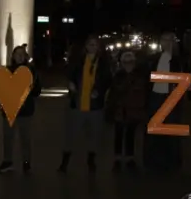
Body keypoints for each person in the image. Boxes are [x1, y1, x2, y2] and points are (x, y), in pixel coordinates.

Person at [58, 35, 111, 173]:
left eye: (95, 44)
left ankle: (91, 161)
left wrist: (99, 91)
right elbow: (69, 74)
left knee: (94, 135)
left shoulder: (103, 64)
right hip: (77, 104)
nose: (92, 47)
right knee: (70, 134)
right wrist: (71, 84)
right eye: (90, 44)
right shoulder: (78, 61)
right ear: (85, 46)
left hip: (95, 106)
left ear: (99, 47)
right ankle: (64, 162)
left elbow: (107, 81)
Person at [143, 32, 184, 172]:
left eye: (169, 40)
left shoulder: (178, 60)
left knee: (170, 130)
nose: (166, 43)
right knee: (154, 130)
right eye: (163, 40)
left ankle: (171, 161)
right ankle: (153, 161)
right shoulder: (154, 59)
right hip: (155, 96)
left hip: (170, 97)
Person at [0, 45, 41, 174]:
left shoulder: (32, 71)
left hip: (25, 110)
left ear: (25, 56)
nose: (20, 56)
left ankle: (26, 162)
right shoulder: (7, 70)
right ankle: (7, 161)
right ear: (13, 56)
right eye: (17, 54)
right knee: (8, 137)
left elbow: (37, 91)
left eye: (22, 54)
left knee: (25, 138)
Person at [106, 50, 148, 171]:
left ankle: (130, 158)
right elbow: (112, 95)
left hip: (133, 110)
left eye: (130, 62)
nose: (128, 65)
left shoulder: (139, 76)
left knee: (130, 135)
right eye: (126, 62)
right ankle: (118, 159)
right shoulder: (118, 76)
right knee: (118, 135)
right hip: (120, 110)